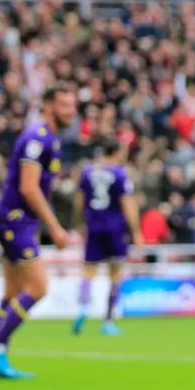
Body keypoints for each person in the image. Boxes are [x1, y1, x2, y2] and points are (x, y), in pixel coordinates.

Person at [0, 86, 76, 379]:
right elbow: (28, 187)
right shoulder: (38, 138)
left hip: (18, 221)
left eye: (72, 105)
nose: (70, 110)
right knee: (38, 287)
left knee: (12, 292)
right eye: (63, 105)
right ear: (48, 106)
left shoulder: (52, 140)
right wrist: (55, 226)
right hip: (15, 220)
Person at [72, 139, 143, 337]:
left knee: (88, 271)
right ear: (117, 152)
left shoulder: (87, 171)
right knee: (115, 274)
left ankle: (83, 310)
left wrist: (79, 225)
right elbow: (127, 203)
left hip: (93, 226)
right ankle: (109, 320)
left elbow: (79, 201)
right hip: (115, 228)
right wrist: (136, 231)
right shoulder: (120, 174)